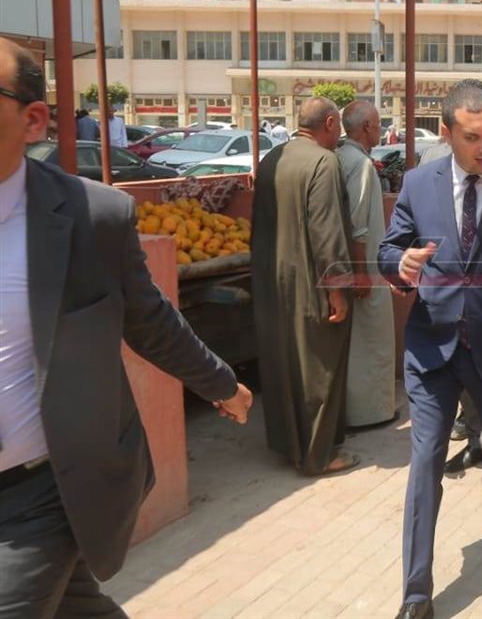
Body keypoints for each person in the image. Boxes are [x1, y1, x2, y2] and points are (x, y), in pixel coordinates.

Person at [0, 39, 253, 616]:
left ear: (32, 120)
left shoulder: (92, 218)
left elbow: (150, 322)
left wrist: (221, 384)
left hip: (43, 488)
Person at [379, 81, 482, 619]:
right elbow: (390, 248)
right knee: (425, 461)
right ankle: (416, 594)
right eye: (473, 137)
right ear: (446, 133)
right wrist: (399, 265)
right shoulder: (418, 183)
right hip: (432, 346)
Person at [251, 96, 358, 476]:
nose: (339, 134)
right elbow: (327, 231)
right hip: (311, 285)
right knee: (320, 367)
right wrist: (337, 289)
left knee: (284, 363)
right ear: (329, 123)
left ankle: (289, 444)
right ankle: (318, 456)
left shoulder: (271, 159)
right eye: (338, 126)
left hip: (272, 282)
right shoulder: (323, 162)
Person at [336, 100, 397, 429]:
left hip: (357, 263)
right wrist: (362, 272)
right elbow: (358, 225)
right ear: (366, 128)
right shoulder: (358, 164)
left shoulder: (341, 157)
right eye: (378, 124)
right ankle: (370, 413)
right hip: (366, 266)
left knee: (360, 340)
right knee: (372, 339)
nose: (381, 129)